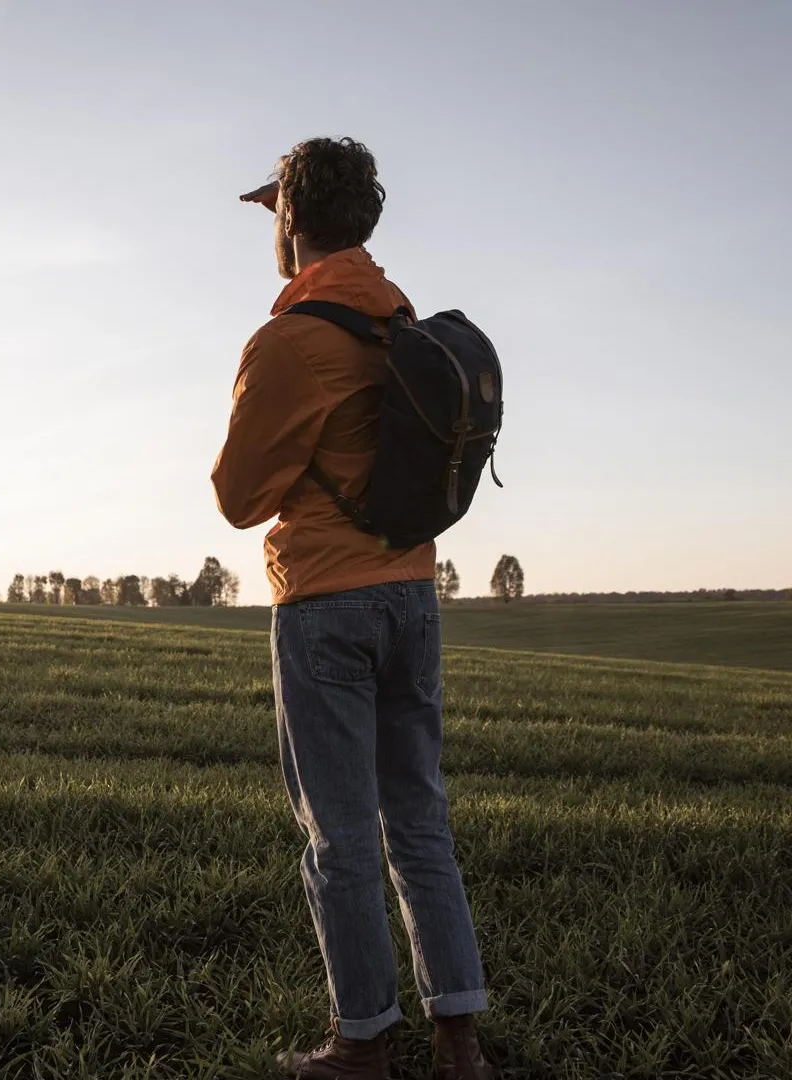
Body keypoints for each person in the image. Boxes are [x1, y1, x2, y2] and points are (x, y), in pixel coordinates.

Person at [213, 137, 496, 1080]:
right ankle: (459, 1040)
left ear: (290, 220)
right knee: (418, 819)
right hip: (413, 598)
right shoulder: (399, 322)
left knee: (338, 834)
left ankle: (363, 1043)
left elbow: (240, 496)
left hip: (326, 607)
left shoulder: (288, 340)